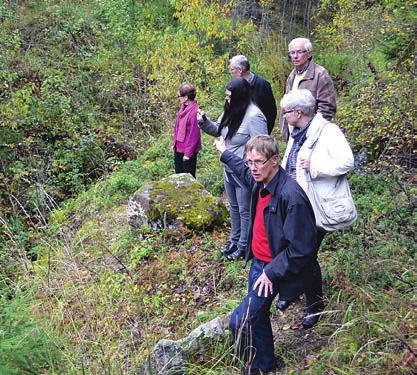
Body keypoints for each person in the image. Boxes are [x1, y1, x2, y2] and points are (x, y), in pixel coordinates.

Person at [214, 135, 318, 375]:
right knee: (257, 317)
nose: (253, 167)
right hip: (259, 264)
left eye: (258, 162)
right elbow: (241, 170)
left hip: (273, 269)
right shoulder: (259, 181)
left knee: (239, 321)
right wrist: (224, 152)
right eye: (250, 161)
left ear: (275, 160)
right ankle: (265, 365)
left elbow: (302, 248)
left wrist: (271, 272)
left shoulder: (290, 196)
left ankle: (249, 368)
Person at [277, 89, 354, 328]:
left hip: (315, 205)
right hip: (295, 204)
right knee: (293, 249)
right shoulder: (296, 131)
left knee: (307, 255)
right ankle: (293, 292)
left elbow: (347, 162)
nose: (283, 116)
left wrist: (314, 166)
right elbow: (289, 161)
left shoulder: (328, 131)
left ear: (298, 113)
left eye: (285, 112)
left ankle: (315, 307)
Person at [198, 78, 268, 261]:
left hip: (244, 172)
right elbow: (218, 130)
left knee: (245, 211)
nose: (227, 100)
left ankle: (244, 246)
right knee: (234, 207)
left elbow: (263, 146)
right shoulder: (232, 110)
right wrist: (204, 122)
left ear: (240, 95)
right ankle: (234, 241)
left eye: (230, 96)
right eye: (226, 96)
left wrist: (252, 167)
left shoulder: (254, 116)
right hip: (228, 169)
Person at [280, 37, 337, 141]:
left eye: (299, 52)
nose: (295, 56)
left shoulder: (320, 74)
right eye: (292, 53)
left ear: (309, 53)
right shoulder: (292, 76)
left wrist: (311, 131)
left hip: (311, 135)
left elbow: (328, 108)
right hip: (293, 134)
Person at [229, 55, 277, 135]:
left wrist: (264, 134)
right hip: (240, 134)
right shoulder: (234, 86)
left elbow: (271, 113)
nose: (231, 72)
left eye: (232, 69)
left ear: (240, 70)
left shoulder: (262, 85)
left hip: (258, 134)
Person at [172, 83, 202, 178]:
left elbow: (194, 135)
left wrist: (188, 154)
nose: (178, 98)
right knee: (179, 176)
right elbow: (177, 127)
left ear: (185, 98)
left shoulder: (194, 112)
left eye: (179, 96)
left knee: (188, 178)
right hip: (179, 147)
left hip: (188, 151)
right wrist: (174, 143)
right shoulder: (183, 108)